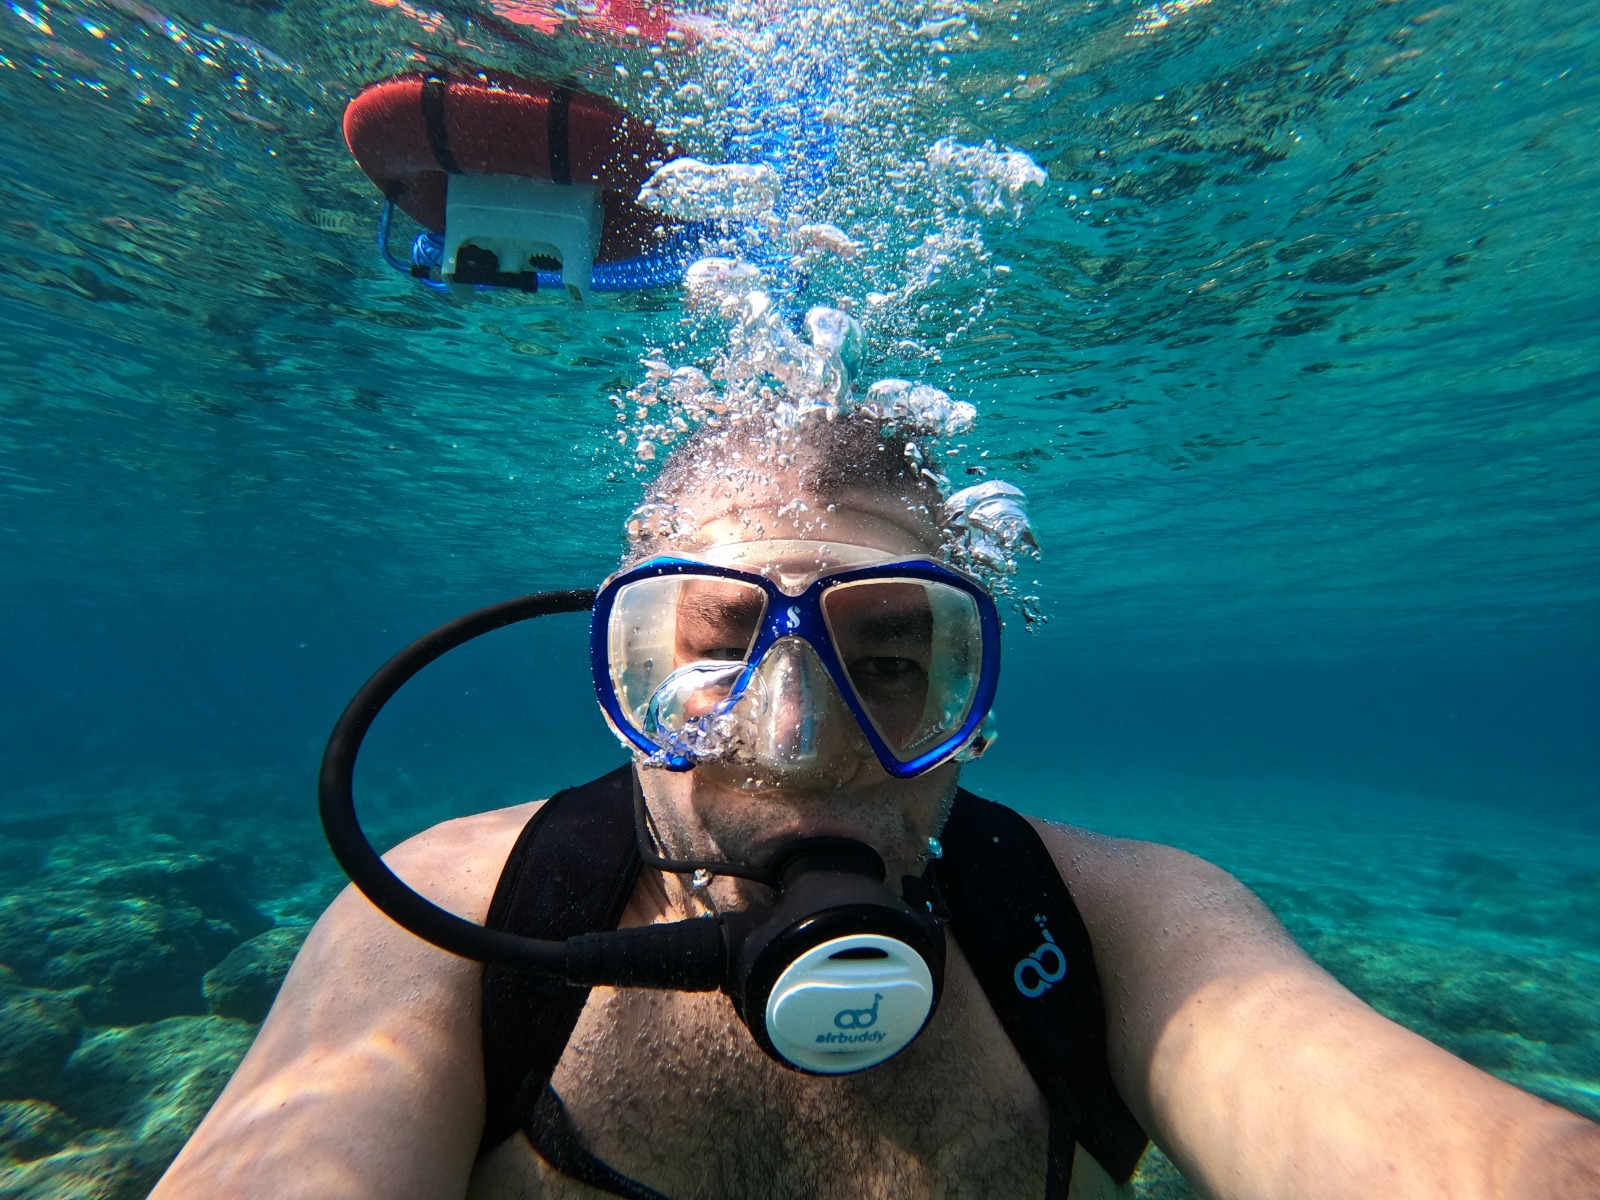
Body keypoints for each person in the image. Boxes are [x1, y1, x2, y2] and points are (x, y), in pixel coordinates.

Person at [155, 412, 1599, 1200]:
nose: (797, 746)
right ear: (627, 666)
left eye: (894, 662)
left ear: (977, 692)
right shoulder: (459, 922)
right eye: (718, 653)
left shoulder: (1119, 929)